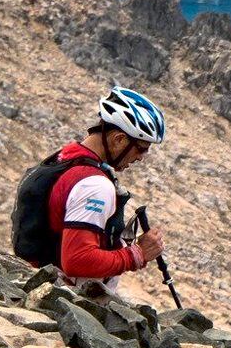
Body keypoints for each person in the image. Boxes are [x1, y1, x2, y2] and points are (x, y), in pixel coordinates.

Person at [10, 87, 167, 292]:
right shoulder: (94, 185)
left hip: (35, 281)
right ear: (119, 139)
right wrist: (137, 254)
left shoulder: (63, 158)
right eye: (141, 148)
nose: (140, 158)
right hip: (67, 298)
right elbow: (78, 260)